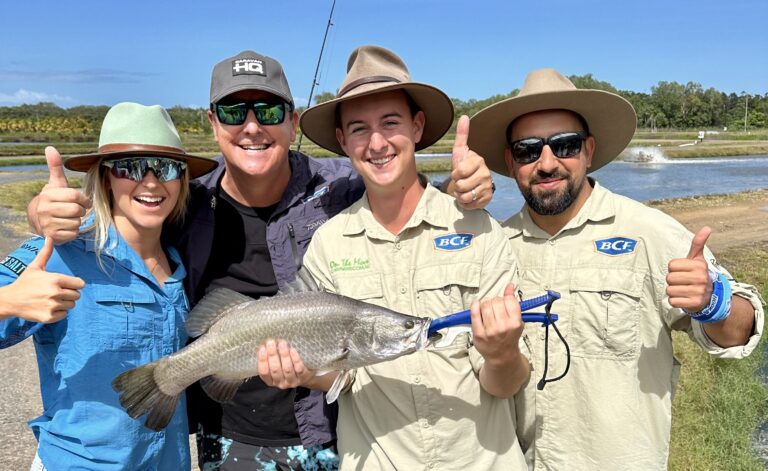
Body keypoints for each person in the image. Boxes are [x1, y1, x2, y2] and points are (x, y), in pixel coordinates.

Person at [27, 50, 496, 471]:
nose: (252, 126)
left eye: (268, 110)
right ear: (213, 123)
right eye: (234, 111)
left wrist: (461, 189)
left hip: (339, 429)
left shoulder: (342, 186)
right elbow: (129, 215)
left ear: (292, 122)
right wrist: (43, 217)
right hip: (232, 432)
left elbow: (401, 194)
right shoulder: (185, 202)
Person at [468, 68, 765, 469]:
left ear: (588, 150)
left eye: (565, 145)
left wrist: (714, 303)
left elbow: (739, 335)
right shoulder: (494, 249)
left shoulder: (648, 232)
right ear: (510, 161)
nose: (546, 162)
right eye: (527, 150)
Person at [266, 44, 530, 470]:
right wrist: (301, 372)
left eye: (391, 122)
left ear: (417, 125)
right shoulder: (329, 246)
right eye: (358, 129)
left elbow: (507, 384)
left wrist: (501, 354)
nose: (376, 143)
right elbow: (341, 377)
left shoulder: (480, 231)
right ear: (342, 141)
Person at [1, 102, 218, 470]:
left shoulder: (184, 261)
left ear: (181, 181)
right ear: (106, 178)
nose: (150, 181)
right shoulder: (59, 252)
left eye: (166, 168)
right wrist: (7, 300)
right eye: (131, 168)